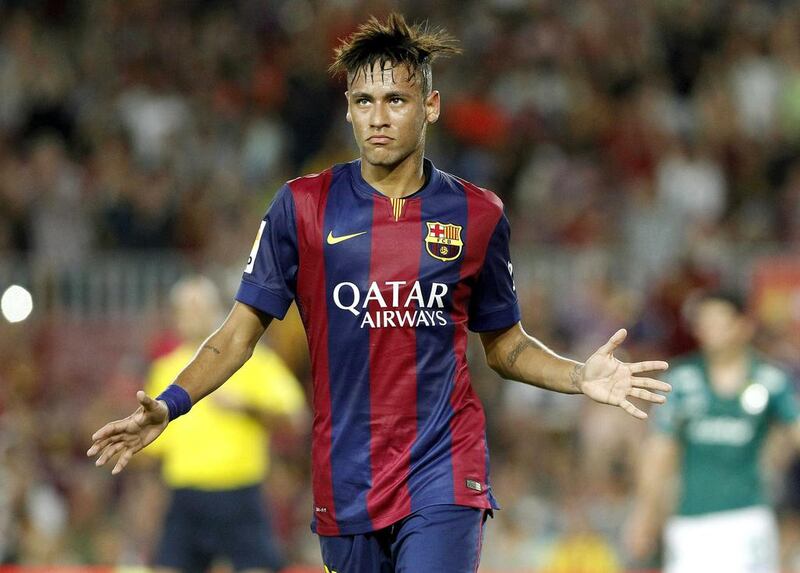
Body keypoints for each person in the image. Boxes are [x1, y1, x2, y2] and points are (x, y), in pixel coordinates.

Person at [88, 13, 670, 572]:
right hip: (347, 475)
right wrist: (170, 404)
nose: (378, 117)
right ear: (348, 110)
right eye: (364, 101)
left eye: (396, 100)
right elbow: (239, 334)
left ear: (431, 106)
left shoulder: (477, 213)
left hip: (445, 463)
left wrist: (578, 377)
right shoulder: (302, 206)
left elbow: (504, 344)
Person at [624, 289, 800, 573]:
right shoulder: (681, 380)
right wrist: (644, 514)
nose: (710, 332)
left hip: (748, 518)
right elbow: (659, 452)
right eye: (704, 324)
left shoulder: (771, 380)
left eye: (719, 322)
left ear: (744, 326)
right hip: (691, 521)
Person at [143, 276, 308, 573]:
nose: (191, 316)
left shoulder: (253, 361)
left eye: (199, 308)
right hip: (185, 497)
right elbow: (154, 448)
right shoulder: (164, 370)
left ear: (218, 311)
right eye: (185, 309)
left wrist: (246, 407)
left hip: (239, 496)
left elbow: (296, 420)